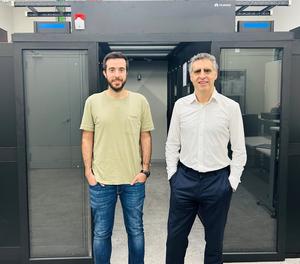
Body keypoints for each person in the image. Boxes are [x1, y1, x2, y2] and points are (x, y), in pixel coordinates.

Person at [165, 53, 247, 264]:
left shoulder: (230, 107)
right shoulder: (181, 106)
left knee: (214, 241)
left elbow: (239, 149)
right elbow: (172, 144)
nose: (202, 75)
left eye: (207, 71)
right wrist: (173, 176)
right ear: (191, 77)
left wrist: (231, 183)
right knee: (175, 239)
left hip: (218, 182)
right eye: (197, 71)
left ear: (215, 74)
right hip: (184, 179)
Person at [80, 51, 154, 264]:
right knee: (102, 234)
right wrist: (89, 172)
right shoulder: (93, 102)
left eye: (121, 69)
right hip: (102, 182)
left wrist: (145, 170)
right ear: (105, 73)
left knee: (136, 232)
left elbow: (146, 136)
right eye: (112, 70)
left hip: (133, 181)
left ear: (126, 73)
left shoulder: (140, 101)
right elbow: (87, 137)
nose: (117, 74)